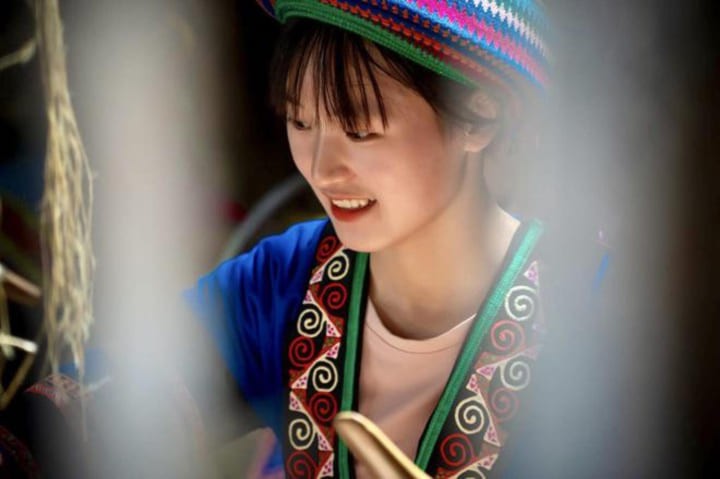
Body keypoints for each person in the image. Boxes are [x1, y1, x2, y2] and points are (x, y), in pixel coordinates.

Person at [186, 1, 550, 478]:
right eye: (301, 122)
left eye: (359, 129)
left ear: (478, 116)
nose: (321, 169)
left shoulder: (590, 305)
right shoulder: (282, 280)